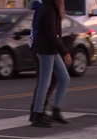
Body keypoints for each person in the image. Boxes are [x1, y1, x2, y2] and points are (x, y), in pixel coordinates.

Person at [31, 0, 72, 128]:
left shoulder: (53, 8)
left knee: (64, 78)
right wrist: (65, 53)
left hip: (52, 50)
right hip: (45, 51)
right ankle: (37, 114)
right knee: (45, 82)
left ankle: (56, 110)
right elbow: (51, 35)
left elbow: (55, 36)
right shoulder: (48, 10)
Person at [27, 0, 58, 122]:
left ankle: (39, 107)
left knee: (53, 78)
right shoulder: (44, 8)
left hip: (43, 46)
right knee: (45, 80)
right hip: (39, 47)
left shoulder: (47, 7)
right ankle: (37, 110)